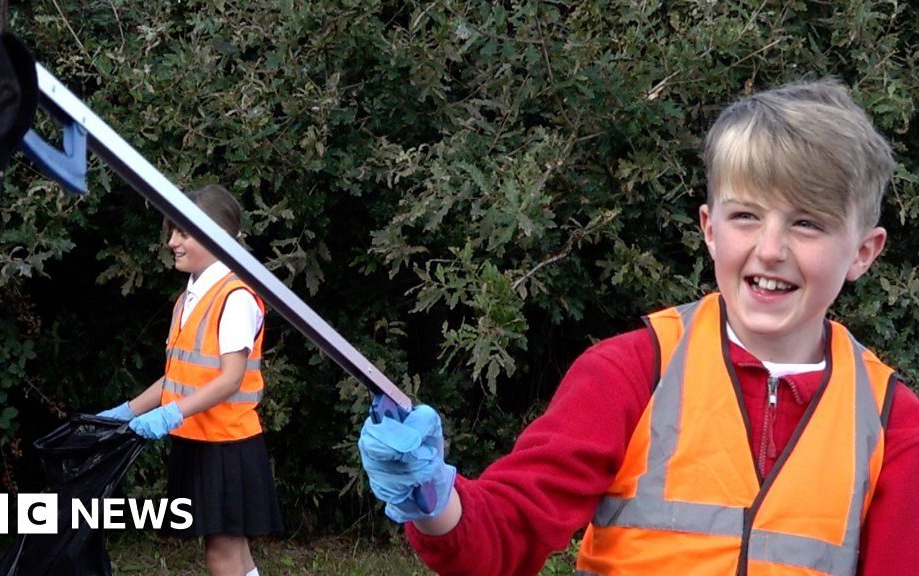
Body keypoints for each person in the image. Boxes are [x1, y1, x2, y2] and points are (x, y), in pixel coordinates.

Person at [358, 78, 919, 575]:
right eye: (745, 215)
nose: (769, 250)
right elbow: (503, 538)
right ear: (710, 228)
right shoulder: (630, 371)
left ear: (863, 253)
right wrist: (433, 500)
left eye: (807, 224)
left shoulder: (894, 421)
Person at [99, 184, 282, 576]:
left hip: (226, 444)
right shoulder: (193, 294)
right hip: (201, 440)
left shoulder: (233, 296)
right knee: (234, 555)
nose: (171, 242)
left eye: (183, 232)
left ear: (215, 236)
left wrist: (169, 416)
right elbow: (178, 378)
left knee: (223, 556)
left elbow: (231, 379)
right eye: (172, 231)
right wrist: (127, 411)